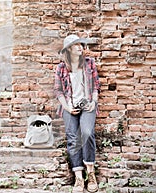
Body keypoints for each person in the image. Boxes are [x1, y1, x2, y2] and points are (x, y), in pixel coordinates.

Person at [54, 34, 100, 193]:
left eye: (81, 44)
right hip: (69, 106)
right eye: (76, 45)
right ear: (69, 49)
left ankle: (91, 174)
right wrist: (67, 107)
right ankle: (79, 178)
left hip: (88, 105)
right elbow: (58, 91)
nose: (80, 47)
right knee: (73, 138)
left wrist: (93, 102)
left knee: (87, 133)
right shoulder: (61, 67)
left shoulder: (90, 63)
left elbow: (95, 86)